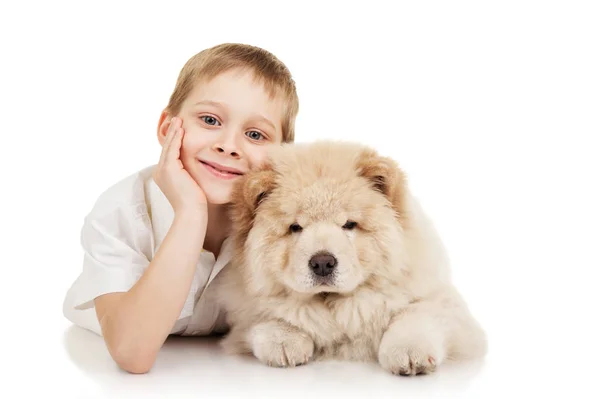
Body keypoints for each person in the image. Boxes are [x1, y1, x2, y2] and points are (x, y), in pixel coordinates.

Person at [62, 43, 299, 374]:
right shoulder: (121, 212)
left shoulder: (286, 222)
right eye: (210, 119)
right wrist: (190, 214)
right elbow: (132, 353)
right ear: (166, 128)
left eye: (255, 134)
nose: (228, 146)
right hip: (97, 348)